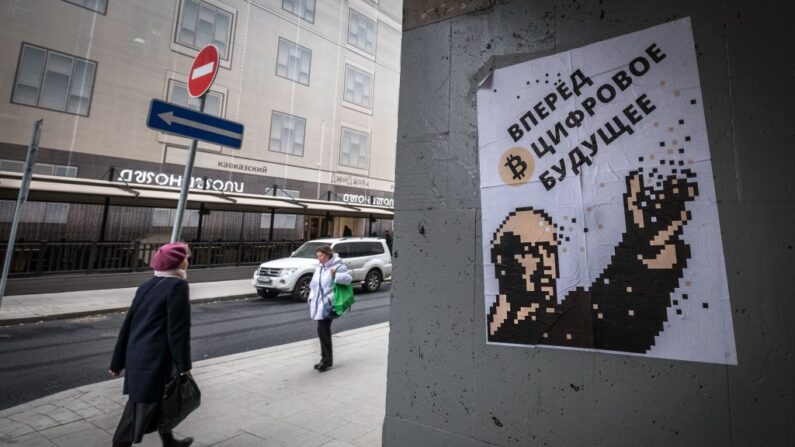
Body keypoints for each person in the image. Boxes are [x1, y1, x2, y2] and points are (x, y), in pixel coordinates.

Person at [487, 170, 699, 353]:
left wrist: (648, 250)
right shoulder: (495, 326)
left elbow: (619, 308)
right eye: (533, 251)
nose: (547, 263)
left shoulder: (574, 312)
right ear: (502, 261)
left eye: (549, 250)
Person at [109, 242, 194, 447]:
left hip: (137, 354)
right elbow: (178, 331)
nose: (188, 261)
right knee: (140, 407)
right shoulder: (178, 286)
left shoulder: (146, 285)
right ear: (178, 263)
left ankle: (169, 441)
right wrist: (184, 366)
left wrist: (117, 361)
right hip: (155, 360)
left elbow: (128, 324)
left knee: (163, 401)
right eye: (186, 258)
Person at [307, 245, 352, 372]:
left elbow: (348, 279)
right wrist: (311, 297)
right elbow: (314, 284)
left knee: (323, 329)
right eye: (318, 256)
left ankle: (326, 360)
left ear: (328, 255)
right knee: (323, 330)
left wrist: (336, 275)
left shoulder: (337, 265)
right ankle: (326, 359)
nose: (319, 259)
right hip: (318, 302)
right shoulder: (320, 267)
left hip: (329, 303)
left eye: (321, 256)